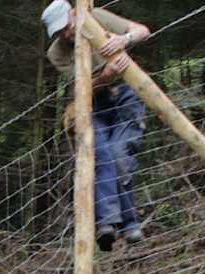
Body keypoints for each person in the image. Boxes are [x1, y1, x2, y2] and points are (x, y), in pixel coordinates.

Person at [42, 0, 151, 250]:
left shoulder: (97, 17)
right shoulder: (56, 53)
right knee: (101, 155)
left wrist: (125, 40)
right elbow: (81, 88)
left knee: (119, 153)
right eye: (59, 32)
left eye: (66, 27)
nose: (66, 34)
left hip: (125, 93)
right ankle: (108, 225)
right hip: (94, 103)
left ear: (73, 13)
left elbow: (142, 31)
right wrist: (104, 77)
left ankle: (130, 225)